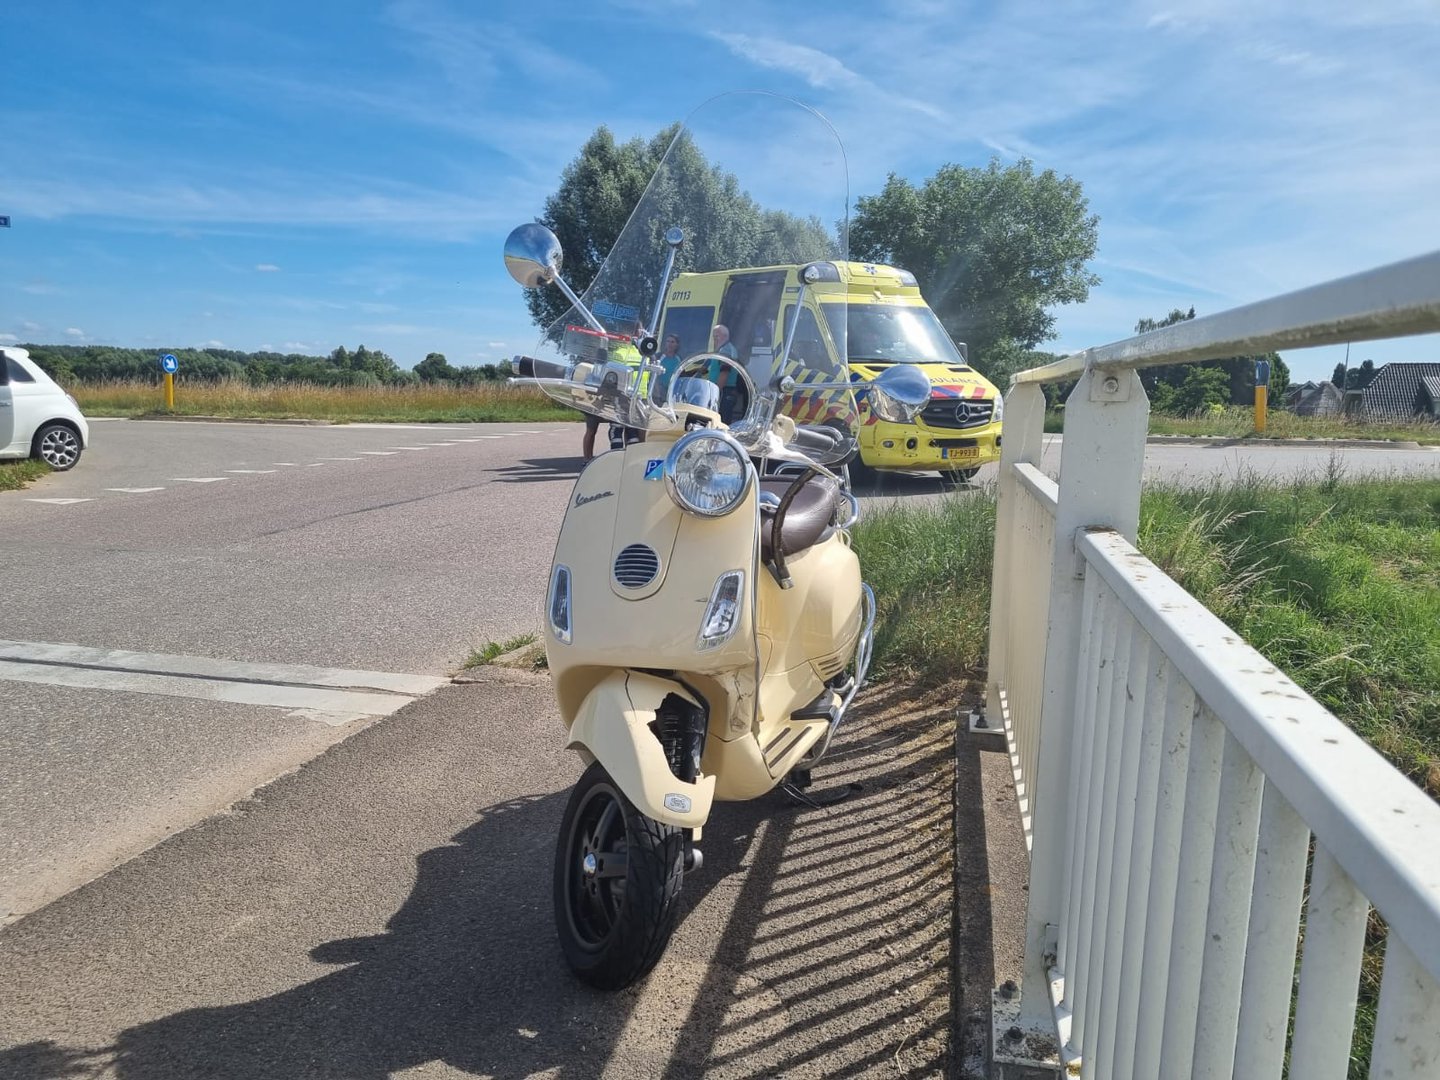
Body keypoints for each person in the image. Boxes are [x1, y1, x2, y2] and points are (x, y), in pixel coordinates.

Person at [710, 324, 744, 422]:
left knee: (721, 421)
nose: (714, 340)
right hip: (727, 390)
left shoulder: (725, 350)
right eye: (714, 337)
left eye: (716, 336)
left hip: (724, 391)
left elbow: (725, 372)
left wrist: (716, 392)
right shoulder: (727, 348)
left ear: (725, 336)